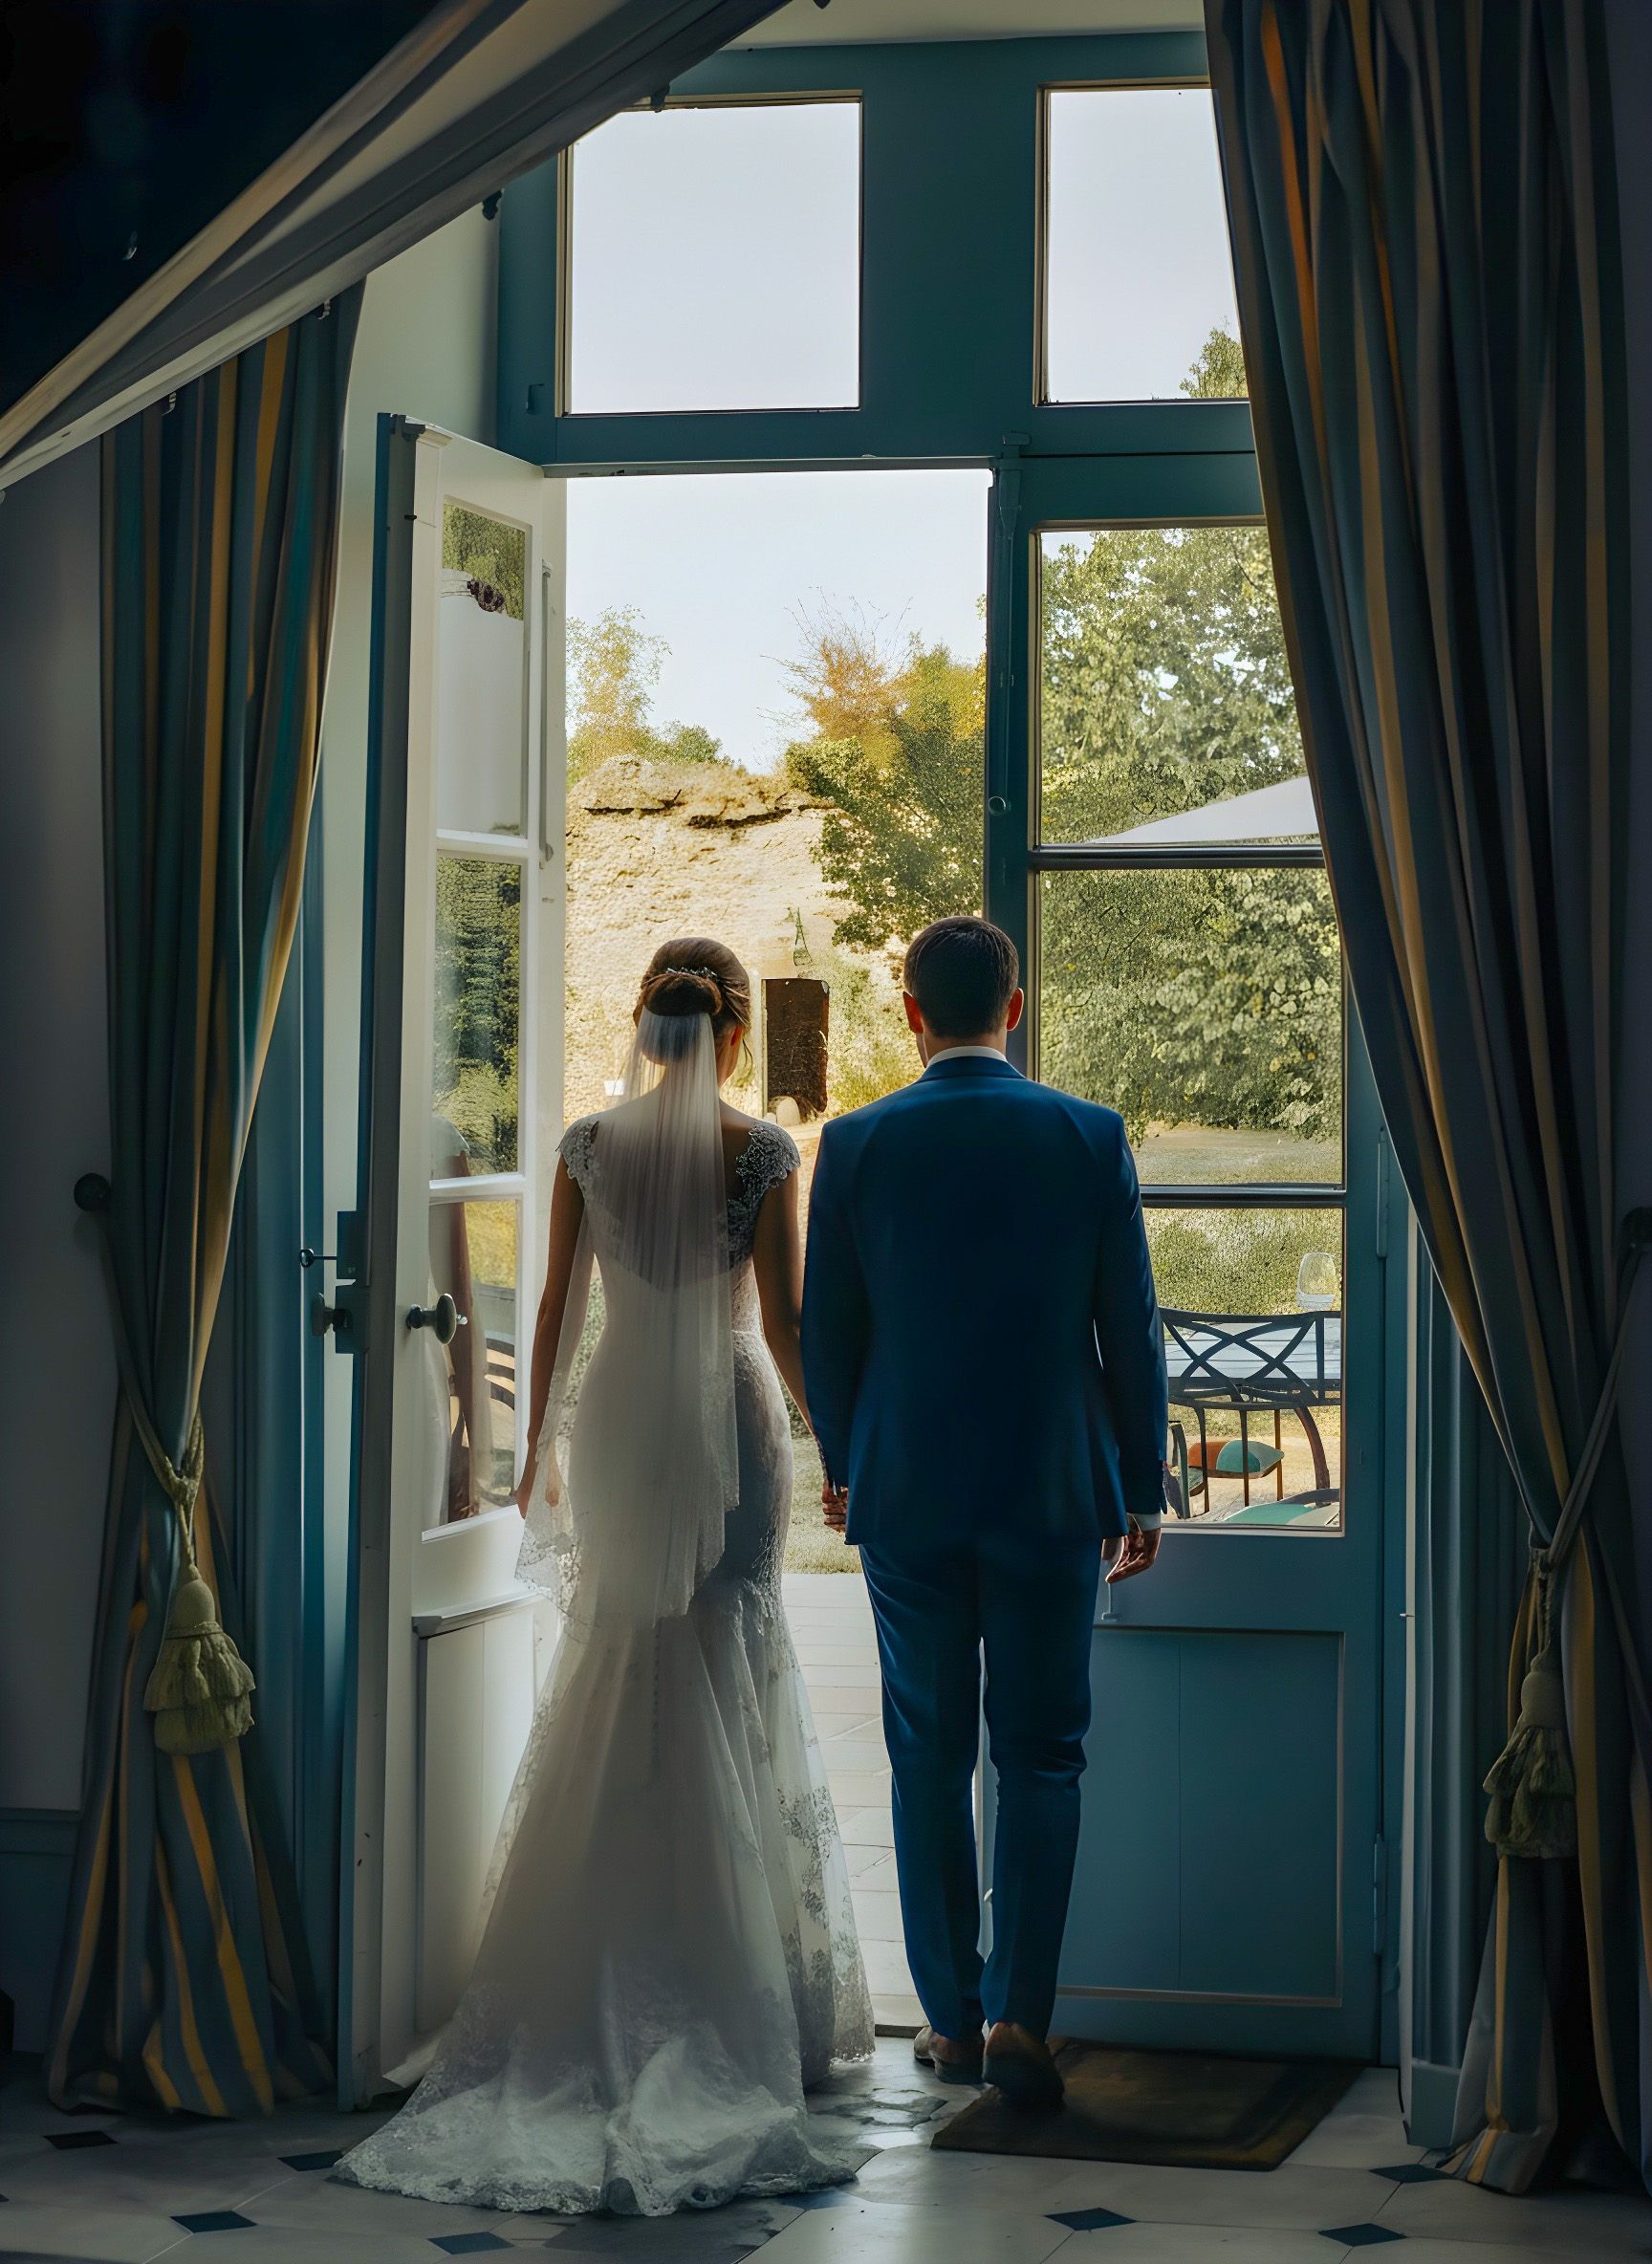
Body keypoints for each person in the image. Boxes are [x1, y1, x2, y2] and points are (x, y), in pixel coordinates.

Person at [337, 941, 872, 2216]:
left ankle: (597, 1963)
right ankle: (748, 1996)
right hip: (728, 1422)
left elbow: (560, 1316)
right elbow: (785, 1323)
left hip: (622, 1420)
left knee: (622, 1661)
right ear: (733, 1034)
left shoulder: (585, 1144)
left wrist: (531, 1463)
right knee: (730, 1650)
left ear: (647, 1030)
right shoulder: (762, 1154)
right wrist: (838, 1449)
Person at [801, 914, 1166, 2114]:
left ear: (912, 1013)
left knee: (927, 1754)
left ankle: (951, 2023)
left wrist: (848, 1464)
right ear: (1015, 1006)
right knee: (1044, 1755)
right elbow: (1131, 1331)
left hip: (907, 1488)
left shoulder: (854, 1144)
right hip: (1055, 1488)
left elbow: (830, 1336)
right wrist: (1143, 1485)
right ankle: (1022, 2013)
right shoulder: (1087, 1135)